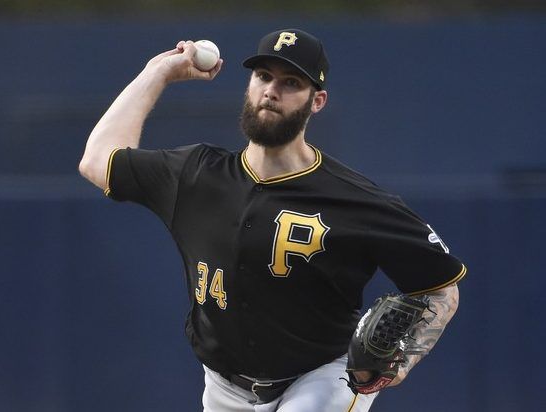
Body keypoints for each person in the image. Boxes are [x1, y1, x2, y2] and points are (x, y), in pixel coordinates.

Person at [79, 29, 466, 412]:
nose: (271, 90)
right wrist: (156, 74)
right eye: (263, 76)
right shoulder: (195, 175)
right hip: (222, 386)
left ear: (317, 101)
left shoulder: (357, 200)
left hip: (321, 379)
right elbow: (97, 161)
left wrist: (403, 361)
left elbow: (441, 288)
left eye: (291, 82)